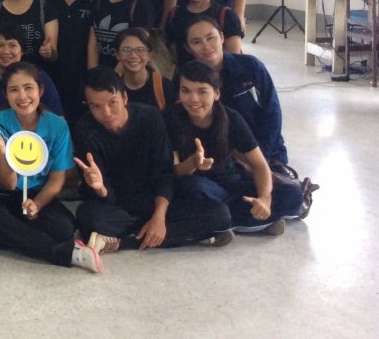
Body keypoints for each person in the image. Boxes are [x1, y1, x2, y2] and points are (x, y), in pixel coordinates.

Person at [0, 62, 101, 273]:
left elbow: (57, 178)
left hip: (37, 193)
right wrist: (1, 148)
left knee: (65, 228)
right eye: (14, 90)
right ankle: (68, 254)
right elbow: (8, 184)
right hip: (0, 195)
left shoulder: (58, 126)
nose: (22, 96)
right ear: (6, 95)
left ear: (40, 90)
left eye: (28, 88)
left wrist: (38, 204)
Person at [72, 67, 232, 256]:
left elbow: (164, 173)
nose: (106, 113)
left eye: (112, 102)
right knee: (89, 217)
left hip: (153, 198)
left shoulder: (149, 117)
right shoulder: (85, 129)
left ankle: (122, 242)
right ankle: (177, 235)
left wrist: (159, 217)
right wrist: (100, 188)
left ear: (124, 98)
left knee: (220, 214)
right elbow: (105, 193)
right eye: (95, 107)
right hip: (117, 206)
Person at [183, 17, 316, 219]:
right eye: (196, 42)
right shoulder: (186, 78)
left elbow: (272, 115)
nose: (206, 46)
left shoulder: (251, 67)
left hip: (262, 152)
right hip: (219, 163)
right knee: (194, 189)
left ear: (222, 38)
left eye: (211, 38)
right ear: (187, 47)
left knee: (292, 195)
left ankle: (232, 215)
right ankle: (256, 217)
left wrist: (262, 160)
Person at [168, 61, 302, 235]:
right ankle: (252, 222)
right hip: (201, 189)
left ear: (216, 94)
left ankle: (227, 223)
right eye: (186, 91)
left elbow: (259, 164)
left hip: (232, 184)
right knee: (192, 187)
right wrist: (192, 163)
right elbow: (173, 173)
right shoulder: (171, 119)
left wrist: (264, 199)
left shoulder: (230, 117)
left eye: (202, 91)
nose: (193, 99)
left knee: (294, 193)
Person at [0, 24, 63, 186]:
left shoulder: (40, 78)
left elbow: (58, 120)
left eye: (12, 45)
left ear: (22, 50)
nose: (6, 51)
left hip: (37, 155)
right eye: (0, 45)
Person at [47, 0, 95, 124]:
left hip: (81, 77)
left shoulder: (91, 0)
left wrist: (92, 79)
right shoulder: (44, 0)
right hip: (51, 77)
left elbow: (93, 44)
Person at [164, 0, 243, 66]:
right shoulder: (175, 15)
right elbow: (172, 53)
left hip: (220, 74)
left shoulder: (227, 15)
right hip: (186, 73)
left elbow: (234, 58)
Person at [114, 27, 175, 111]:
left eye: (140, 50)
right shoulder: (113, 87)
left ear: (149, 55)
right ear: (117, 54)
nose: (133, 55)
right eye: (126, 50)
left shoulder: (164, 87)